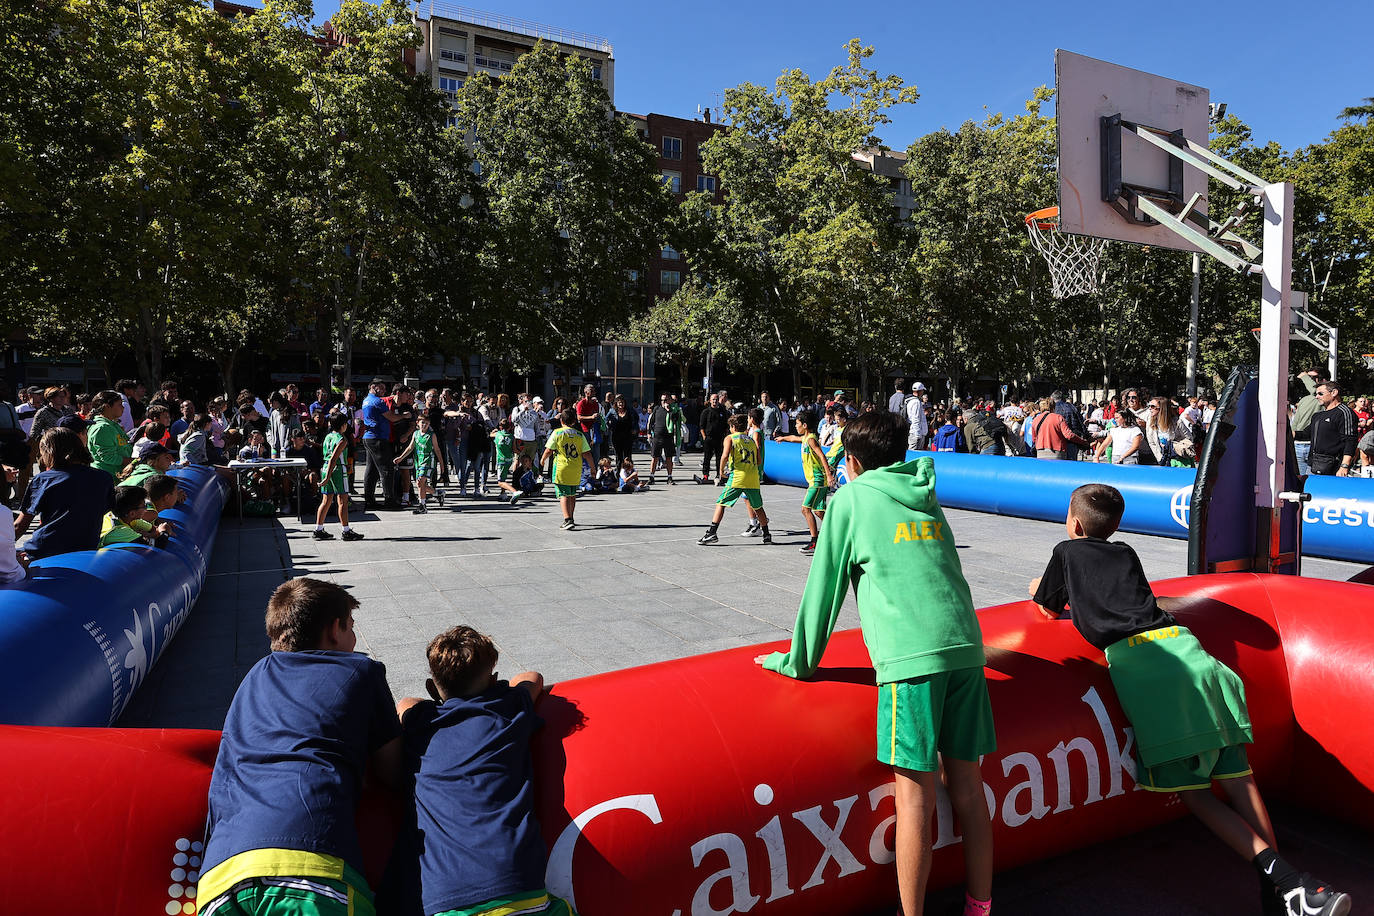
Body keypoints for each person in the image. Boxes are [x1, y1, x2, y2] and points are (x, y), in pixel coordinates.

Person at [1030, 484, 1351, 916]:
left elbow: (1047, 609)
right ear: (1116, 526)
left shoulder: (1065, 552)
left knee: (1196, 795)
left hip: (1154, 672)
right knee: (1240, 782)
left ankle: (1293, 885)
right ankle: (1279, 893)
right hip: (1192, 652)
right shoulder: (1125, 552)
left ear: (1074, 523)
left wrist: (1039, 587)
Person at [757, 410, 994, 916]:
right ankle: (980, 906)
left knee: (914, 799)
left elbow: (822, 592)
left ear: (853, 462)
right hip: (965, 647)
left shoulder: (850, 499)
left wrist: (797, 662)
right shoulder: (925, 492)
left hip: (911, 659)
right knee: (969, 790)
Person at [197, 579, 402, 916]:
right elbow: (393, 770)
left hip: (222, 875)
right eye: (351, 627)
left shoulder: (253, 676)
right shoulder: (360, 670)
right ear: (334, 630)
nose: (354, 638)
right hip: (310, 865)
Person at [392, 627, 573, 916]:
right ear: (493, 679)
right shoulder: (508, 709)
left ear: (431, 687)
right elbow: (532, 678)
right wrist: (498, 691)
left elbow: (405, 704)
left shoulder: (421, 725)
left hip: (446, 897)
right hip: (518, 885)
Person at [14, 428, 115, 560]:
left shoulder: (43, 480)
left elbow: (20, 525)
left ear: (48, 452)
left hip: (45, 551)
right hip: (86, 549)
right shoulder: (104, 478)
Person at [697, 414, 771, 545]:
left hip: (738, 476)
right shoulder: (750, 440)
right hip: (752, 477)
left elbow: (724, 455)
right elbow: (759, 460)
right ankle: (766, 535)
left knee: (721, 503)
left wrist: (720, 471)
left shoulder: (730, 438)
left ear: (733, 427)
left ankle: (712, 533)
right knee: (758, 507)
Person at [774, 409, 835, 556]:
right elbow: (793, 438)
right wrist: (783, 438)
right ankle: (837, 533)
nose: (796, 426)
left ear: (805, 425)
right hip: (815, 480)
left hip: (817, 480)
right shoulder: (805, 438)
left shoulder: (811, 439)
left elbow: (822, 456)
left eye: (797, 423)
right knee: (819, 511)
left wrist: (829, 475)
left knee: (805, 509)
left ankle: (814, 541)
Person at [541, 408, 591, 530]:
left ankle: (567, 519)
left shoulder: (557, 433)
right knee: (572, 495)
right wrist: (593, 468)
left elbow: (549, 450)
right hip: (576, 469)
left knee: (563, 494)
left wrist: (542, 460)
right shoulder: (580, 435)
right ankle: (571, 517)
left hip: (561, 468)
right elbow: (587, 453)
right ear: (574, 421)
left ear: (561, 421)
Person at [315, 414, 363, 541]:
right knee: (342, 501)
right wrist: (328, 477)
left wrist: (326, 475)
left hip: (325, 467)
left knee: (326, 500)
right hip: (337, 470)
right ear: (343, 425)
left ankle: (318, 529)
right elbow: (334, 458)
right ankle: (346, 531)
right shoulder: (342, 439)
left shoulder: (328, 436)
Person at [361, 379, 403, 511]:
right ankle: (389, 500)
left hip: (369, 437)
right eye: (382, 388)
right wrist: (404, 416)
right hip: (378, 438)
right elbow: (392, 417)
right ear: (373, 387)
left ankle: (369, 501)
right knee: (386, 469)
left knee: (371, 470)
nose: (384, 391)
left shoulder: (366, 400)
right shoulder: (378, 402)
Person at [395, 412, 445, 513]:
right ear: (417, 423)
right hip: (418, 461)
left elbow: (437, 450)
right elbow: (410, 447)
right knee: (419, 484)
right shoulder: (415, 434)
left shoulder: (431, 435)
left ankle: (422, 506)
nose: (424, 425)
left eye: (427, 423)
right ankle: (437, 493)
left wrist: (442, 465)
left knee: (421, 481)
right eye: (423, 422)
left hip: (428, 461)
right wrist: (401, 457)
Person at [1306, 380, 1359, 477]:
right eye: (1316, 394)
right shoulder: (1317, 415)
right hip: (1313, 465)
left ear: (1334, 392)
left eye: (1320, 393)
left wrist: (1344, 466)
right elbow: (1307, 433)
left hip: (1334, 467)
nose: (1317, 397)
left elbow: (1350, 441)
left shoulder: (1344, 412)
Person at [99, 485, 171, 548]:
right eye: (144, 506)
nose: (146, 510)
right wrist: (164, 532)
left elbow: (154, 529)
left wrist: (150, 534)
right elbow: (157, 545)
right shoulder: (119, 530)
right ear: (132, 513)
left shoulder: (130, 520)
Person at [88, 390, 134, 479]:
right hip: (108, 476)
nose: (123, 408)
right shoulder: (103, 428)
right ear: (107, 407)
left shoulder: (112, 424)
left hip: (115, 475)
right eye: (119, 405)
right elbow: (108, 457)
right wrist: (132, 461)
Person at [697, 393, 730, 484]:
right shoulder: (706, 412)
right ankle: (705, 475)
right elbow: (701, 426)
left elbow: (726, 426)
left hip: (720, 438)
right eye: (713, 399)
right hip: (709, 438)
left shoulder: (722, 411)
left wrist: (725, 436)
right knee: (707, 458)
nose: (715, 401)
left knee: (720, 458)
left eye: (716, 399)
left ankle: (719, 474)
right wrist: (704, 437)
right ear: (710, 401)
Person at [648, 393, 678, 485]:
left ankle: (669, 477)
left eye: (666, 400)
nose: (664, 402)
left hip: (668, 437)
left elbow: (675, 420)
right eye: (662, 400)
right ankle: (651, 476)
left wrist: (669, 410)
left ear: (670, 400)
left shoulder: (674, 410)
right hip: (657, 436)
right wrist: (649, 433)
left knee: (669, 457)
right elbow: (651, 421)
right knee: (655, 457)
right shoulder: (657, 409)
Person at [607, 395, 639, 473]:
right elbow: (605, 420)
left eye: (622, 402)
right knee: (619, 456)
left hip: (628, 436)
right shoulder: (612, 411)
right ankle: (618, 473)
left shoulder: (630, 410)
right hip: (616, 437)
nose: (621, 404)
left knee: (627, 456)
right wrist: (610, 426)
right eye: (619, 402)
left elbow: (636, 418)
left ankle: (628, 472)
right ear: (616, 403)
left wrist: (634, 428)